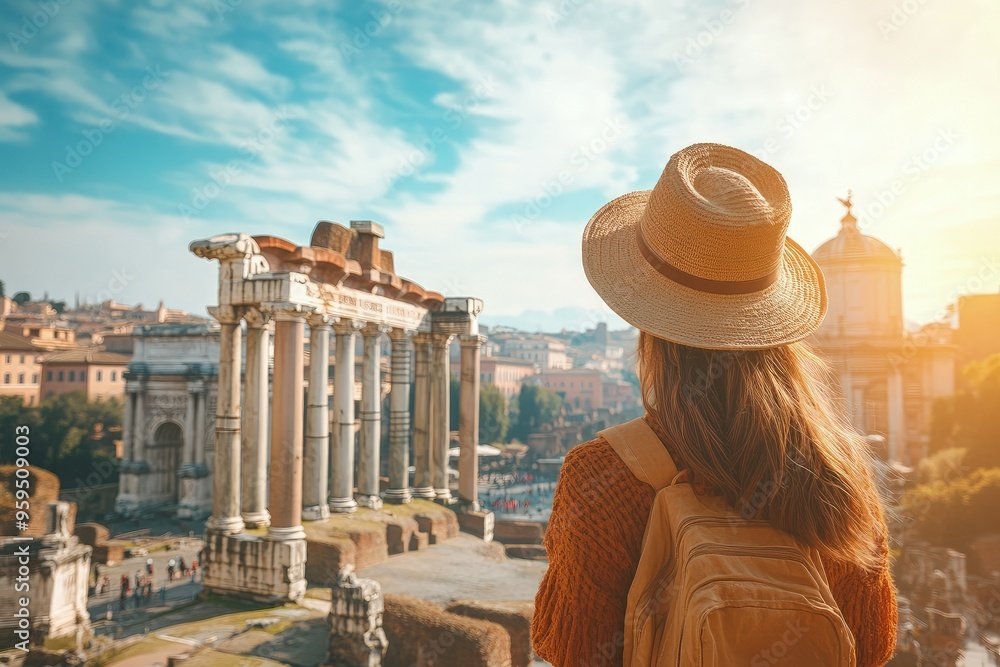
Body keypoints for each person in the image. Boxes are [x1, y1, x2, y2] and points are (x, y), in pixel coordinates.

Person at [531, 144, 897, 667]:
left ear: (648, 326)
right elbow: (872, 643)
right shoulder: (841, 472)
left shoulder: (604, 475)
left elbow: (569, 648)